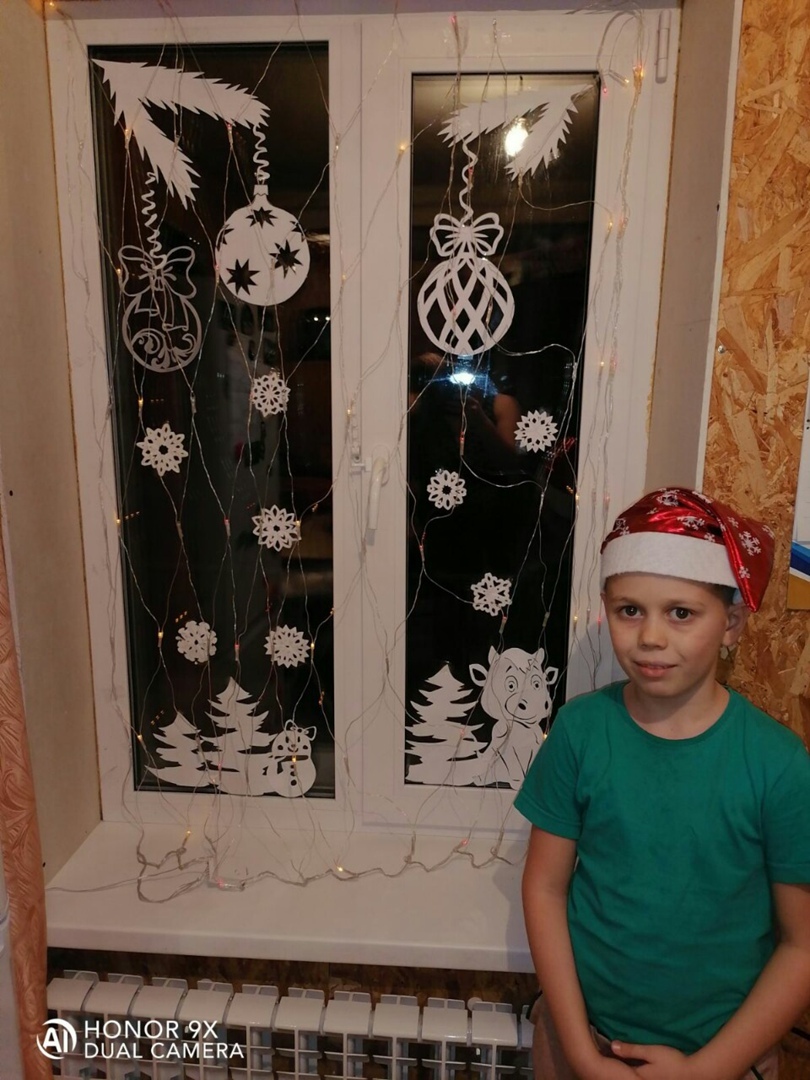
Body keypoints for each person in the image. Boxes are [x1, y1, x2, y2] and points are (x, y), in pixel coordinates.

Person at [514, 487, 810, 1080]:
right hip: (581, 1043)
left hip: (724, 1060)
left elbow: (801, 945)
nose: (650, 637)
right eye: (630, 610)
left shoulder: (778, 764)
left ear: (731, 624)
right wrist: (581, 1053)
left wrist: (705, 1071)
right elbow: (544, 889)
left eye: (681, 613)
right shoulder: (579, 732)